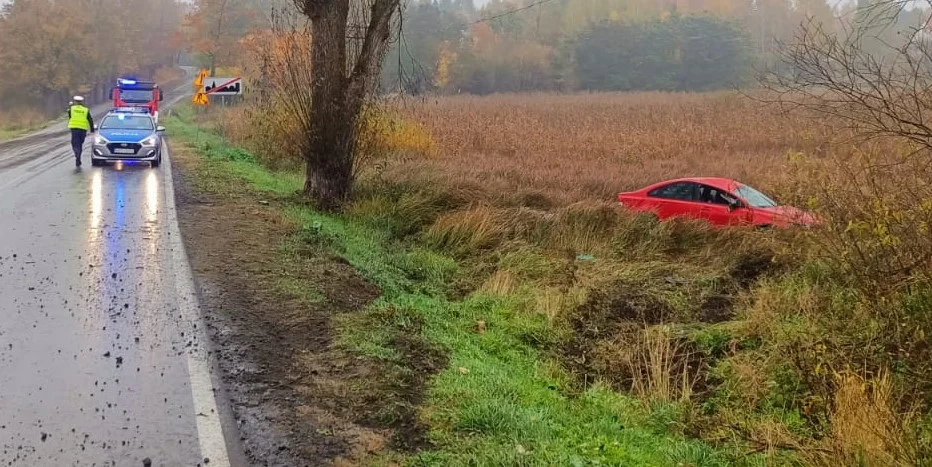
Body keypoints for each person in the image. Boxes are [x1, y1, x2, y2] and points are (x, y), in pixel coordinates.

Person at [67, 96, 94, 167]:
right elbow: (90, 119)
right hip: (83, 129)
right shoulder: (85, 110)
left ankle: (77, 155)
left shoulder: (72, 108)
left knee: (75, 144)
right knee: (80, 144)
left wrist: (69, 108)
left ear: (75, 101)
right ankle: (78, 155)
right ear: (82, 102)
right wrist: (92, 130)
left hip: (74, 129)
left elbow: (70, 117)